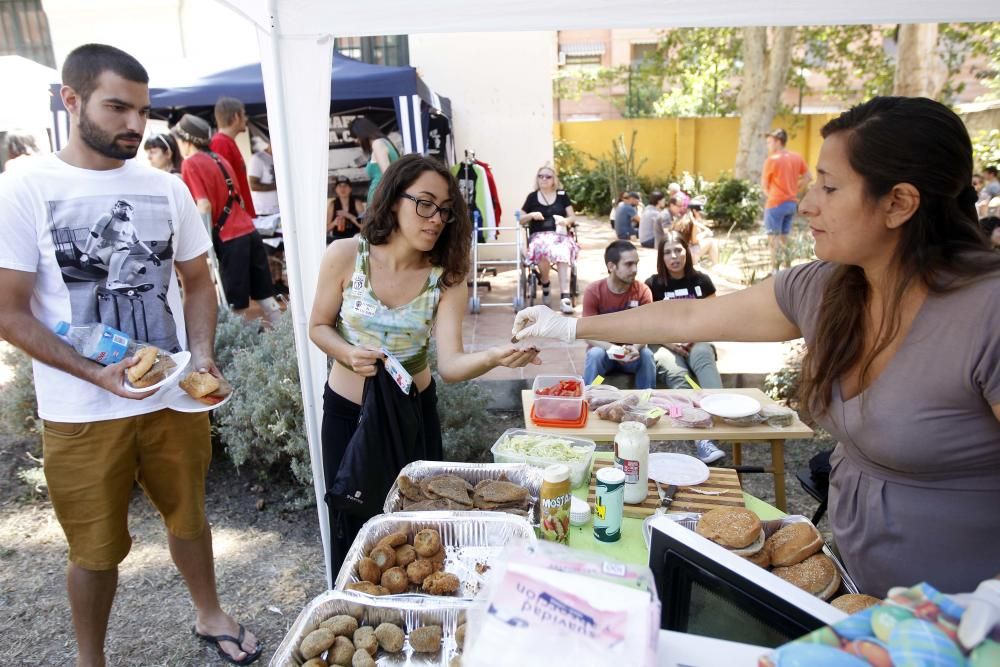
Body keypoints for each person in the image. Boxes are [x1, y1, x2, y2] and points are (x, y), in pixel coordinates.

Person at [514, 96, 1000, 599]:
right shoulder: (828, 286)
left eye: (830, 187)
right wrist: (570, 327)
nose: (807, 203)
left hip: (966, 617)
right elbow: (689, 314)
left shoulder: (987, 314)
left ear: (899, 203)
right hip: (860, 593)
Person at [0, 44, 261, 666]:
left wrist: (199, 355)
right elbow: (8, 310)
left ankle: (210, 613)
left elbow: (198, 281)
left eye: (142, 111)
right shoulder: (24, 188)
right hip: (82, 408)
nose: (134, 124)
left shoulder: (164, 187)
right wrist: (96, 374)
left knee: (191, 517)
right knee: (93, 551)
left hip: (172, 394)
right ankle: (93, 660)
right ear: (72, 100)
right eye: (117, 107)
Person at [309, 154, 540, 574]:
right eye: (425, 204)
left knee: (419, 525)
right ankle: (353, 612)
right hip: (348, 415)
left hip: (411, 415)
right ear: (395, 199)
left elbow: (450, 365)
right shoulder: (346, 255)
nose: (437, 218)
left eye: (446, 210)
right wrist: (347, 353)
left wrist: (495, 356)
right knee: (353, 519)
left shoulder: (446, 276)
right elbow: (319, 326)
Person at [173, 114, 281, 325]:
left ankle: (243, 349)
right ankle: (286, 333)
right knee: (265, 294)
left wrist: (206, 245)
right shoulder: (219, 158)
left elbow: (204, 205)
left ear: (186, 140)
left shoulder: (191, 163)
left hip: (229, 238)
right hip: (249, 232)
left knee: (236, 304)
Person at [645, 231, 725, 464]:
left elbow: (714, 317)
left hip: (698, 338)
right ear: (662, 257)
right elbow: (648, 324)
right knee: (676, 372)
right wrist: (671, 343)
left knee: (702, 355)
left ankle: (722, 414)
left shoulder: (702, 281)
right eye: (668, 252)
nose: (674, 256)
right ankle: (702, 439)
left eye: (678, 250)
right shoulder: (653, 285)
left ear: (687, 252)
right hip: (664, 343)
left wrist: (693, 337)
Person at [581, 240, 656, 389]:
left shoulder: (642, 291)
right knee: (594, 354)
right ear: (611, 266)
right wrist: (612, 349)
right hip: (604, 352)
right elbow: (586, 333)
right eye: (628, 264)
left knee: (646, 354)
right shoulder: (594, 291)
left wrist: (636, 348)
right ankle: (589, 398)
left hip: (632, 354)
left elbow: (648, 329)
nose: (634, 269)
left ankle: (647, 401)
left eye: (636, 263)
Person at [517, 165, 579, 314]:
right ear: (537, 179)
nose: (544, 179)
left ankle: (565, 297)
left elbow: (572, 217)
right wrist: (531, 215)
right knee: (542, 249)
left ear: (554, 180)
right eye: (541, 176)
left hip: (559, 235)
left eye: (548, 176)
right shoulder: (532, 197)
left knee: (562, 250)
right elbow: (520, 218)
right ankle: (545, 283)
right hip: (539, 236)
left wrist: (565, 220)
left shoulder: (562, 195)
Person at [761, 128, 811, 272]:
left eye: (770, 142)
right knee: (784, 237)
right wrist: (795, 188)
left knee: (773, 239)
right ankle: (788, 269)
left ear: (778, 142)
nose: (768, 145)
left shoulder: (772, 160)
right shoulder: (797, 157)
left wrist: (770, 195)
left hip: (775, 203)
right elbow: (808, 177)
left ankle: (775, 271)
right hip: (791, 203)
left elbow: (764, 186)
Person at [209, 97, 256, 219]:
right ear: (236, 117)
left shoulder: (226, 142)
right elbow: (224, 186)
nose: (246, 119)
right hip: (237, 222)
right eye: (244, 115)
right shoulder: (220, 144)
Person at [349, 117, 400, 204]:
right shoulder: (384, 142)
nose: (357, 141)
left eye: (356, 137)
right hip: (381, 198)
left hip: (380, 199)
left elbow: (388, 175)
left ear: (362, 134)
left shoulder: (377, 144)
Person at [326, 174, 365, 244]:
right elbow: (326, 229)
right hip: (337, 239)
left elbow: (364, 226)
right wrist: (334, 223)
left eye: (345, 186)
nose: (342, 189)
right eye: (340, 186)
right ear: (336, 189)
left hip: (353, 238)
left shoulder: (357, 203)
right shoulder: (332, 205)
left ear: (350, 189)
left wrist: (349, 216)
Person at [247, 139, 279, 216]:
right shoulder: (257, 158)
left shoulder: (279, 157)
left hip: (280, 209)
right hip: (264, 212)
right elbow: (253, 186)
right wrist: (277, 186)